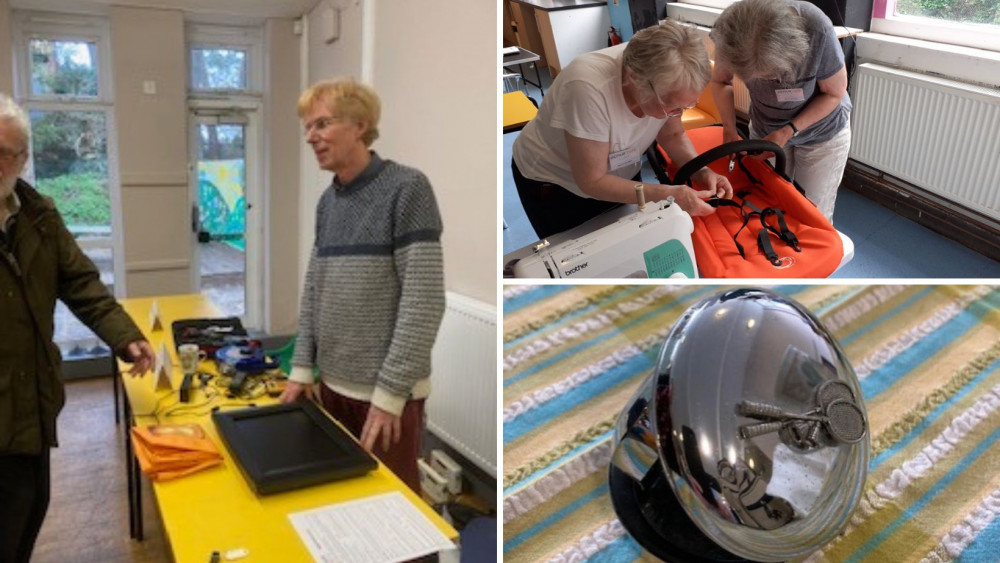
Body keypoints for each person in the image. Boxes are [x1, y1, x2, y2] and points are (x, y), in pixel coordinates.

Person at [0, 93, 155, 563]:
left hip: (31, 404)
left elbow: (80, 281)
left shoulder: (39, 215)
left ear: (22, 159)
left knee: (28, 512)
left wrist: (125, 335)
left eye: (3, 152)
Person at [280, 79, 445, 493]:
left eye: (321, 124)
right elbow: (316, 287)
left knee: (392, 511)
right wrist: (302, 370)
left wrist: (389, 395)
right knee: (340, 497)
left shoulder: (408, 188)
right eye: (308, 127)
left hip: (385, 396)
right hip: (331, 387)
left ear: (360, 124)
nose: (310, 137)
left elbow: (423, 300)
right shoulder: (327, 202)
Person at [511, 20, 733, 239]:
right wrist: (668, 194)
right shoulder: (587, 88)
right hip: (557, 184)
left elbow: (673, 134)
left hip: (620, 169)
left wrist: (701, 171)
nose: (676, 114)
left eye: (684, 107)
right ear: (635, 79)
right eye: (670, 105)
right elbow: (592, 180)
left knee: (625, 244)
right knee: (581, 261)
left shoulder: (666, 73)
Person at [710, 0, 852, 222]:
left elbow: (834, 93)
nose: (764, 85)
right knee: (768, 202)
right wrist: (729, 130)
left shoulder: (816, 28)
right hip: (765, 127)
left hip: (822, 131)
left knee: (812, 212)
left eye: (769, 77)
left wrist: (787, 131)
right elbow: (720, 81)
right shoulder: (729, 30)